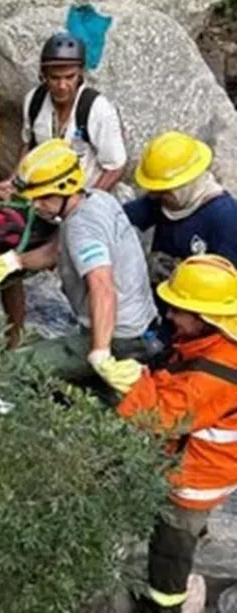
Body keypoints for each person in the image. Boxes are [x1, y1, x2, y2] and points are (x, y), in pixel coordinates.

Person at [89, 255, 237, 613]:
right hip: (193, 463)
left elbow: (159, 417)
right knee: (175, 536)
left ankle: (164, 604)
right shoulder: (214, 344)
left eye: (179, 310)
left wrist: (134, 384)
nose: (170, 316)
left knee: (171, 552)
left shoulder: (215, 376)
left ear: (207, 317)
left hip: (196, 479)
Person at [0, 32, 129, 348]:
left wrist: (84, 205)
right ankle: (14, 336)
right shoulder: (34, 101)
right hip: (43, 199)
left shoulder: (97, 110)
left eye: (69, 77)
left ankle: (101, 338)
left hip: (81, 200)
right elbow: (29, 146)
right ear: (43, 75)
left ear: (80, 74)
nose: (62, 85)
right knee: (7, 247)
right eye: (54, 78)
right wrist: (14, 182)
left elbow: (115, 165)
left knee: (86, 270)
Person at [0, 140, 158, 386]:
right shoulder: (98, 199)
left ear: (65, 189)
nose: (36, 205)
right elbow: (56, 250)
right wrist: (16, 261)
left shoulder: (81, 227)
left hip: (120, 336)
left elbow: (102, 287)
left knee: (12, 369)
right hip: (139, 324)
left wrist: (100, 353)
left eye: (43, 198)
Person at [126, 131, 237, 282]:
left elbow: (226, 283)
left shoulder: (225, 219)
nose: (154, 196)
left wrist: (176, 274)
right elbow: (120, 219)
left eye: (163, 192)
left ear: (185, 187)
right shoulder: (162, 201)